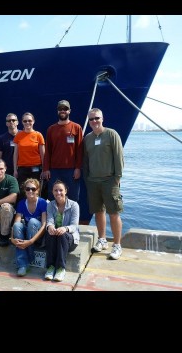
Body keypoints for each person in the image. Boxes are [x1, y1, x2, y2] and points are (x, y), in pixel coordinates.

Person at [83, 108, 124, 260]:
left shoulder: (111, 134)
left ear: (102, 118)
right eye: (91, 119)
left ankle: (117, 245)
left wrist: (117, 178)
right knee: (98, 212)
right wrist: (87, 179)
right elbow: (85, 161)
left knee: (113, 213)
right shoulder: (87, 138)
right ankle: (102, 240)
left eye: (96, 118)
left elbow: (119, 157)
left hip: (109, 180)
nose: (94, 121)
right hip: (93, 181)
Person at [42, 99, 83, 206]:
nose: (63, 111)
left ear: (69, 111)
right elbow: (48, 151)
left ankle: (72, 222)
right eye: (60, 109)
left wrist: (78, 168)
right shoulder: (51, 129)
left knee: (73, 198)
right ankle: (55, 222)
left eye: (65, 109)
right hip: (54, 171)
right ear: (57, 111)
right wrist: (46, 169)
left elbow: (80, 150)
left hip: (71, 171)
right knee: (53, 197)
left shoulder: (76, 127)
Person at [44, 180, 80, 282]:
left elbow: (74, 225)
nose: (58, 193)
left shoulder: (74, 205)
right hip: (55, 236)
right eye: (56, 190)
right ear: (52, 192)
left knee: (63, 235)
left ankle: (60, 268)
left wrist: (65, 228)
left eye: (61, 190)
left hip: (69, 239)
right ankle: (50, 267)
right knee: (49, 233)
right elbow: (49, 220)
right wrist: (50, 227)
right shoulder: (50, 205)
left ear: (66, 191)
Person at [11, 178, 47, 277]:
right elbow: (16, 222)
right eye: (27, 189)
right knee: (18, 225)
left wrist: (31, 241)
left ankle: (29, 258)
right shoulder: (22, 203)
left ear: (38, 190)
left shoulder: (42, 202)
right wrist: (12, 238)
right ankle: (22, 265)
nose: (30, 191)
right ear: (25, 190)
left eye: (33, 189)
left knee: (32, 222)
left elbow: (44, 225)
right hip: (28, 233)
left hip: (38, 235)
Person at [13, 112, 45, 199]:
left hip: (36, 168)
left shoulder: (38, 135)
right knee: (23, 192)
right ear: (22, 122)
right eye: (25, 121)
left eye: (29, 121)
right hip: (22, 169)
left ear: (33, 121)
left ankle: (37, 212)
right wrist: (15, 170)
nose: (27, 123)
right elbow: (15, 154)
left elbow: (43, 154)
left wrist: (44, 169)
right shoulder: (18, 136)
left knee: (36, 191)